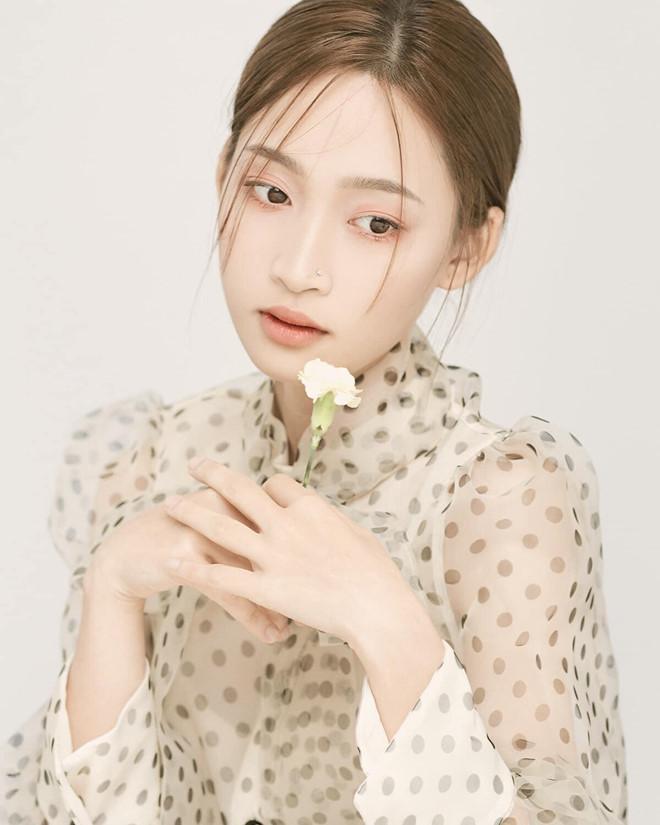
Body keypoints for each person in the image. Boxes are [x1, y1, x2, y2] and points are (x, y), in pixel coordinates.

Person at [1, 1, 629, 823]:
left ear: (466, 246)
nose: (299, 266)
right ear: (223, 175)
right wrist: (112, 593)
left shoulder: (497, 499)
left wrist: (383, 617)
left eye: (375, 222)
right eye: (270, 191)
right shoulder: (153, 461)